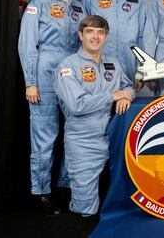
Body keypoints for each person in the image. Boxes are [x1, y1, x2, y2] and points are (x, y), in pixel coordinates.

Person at [18, 0, 85, 215]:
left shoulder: (79, 9)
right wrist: (30, 83)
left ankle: (64, 187)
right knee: (45, 137)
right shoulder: (38, 4)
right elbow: (27, 45)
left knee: (73, 135)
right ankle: (41, 192)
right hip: (44, 76)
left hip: (72, 77)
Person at [53, 15, 135, 216]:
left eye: (100, 32)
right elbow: (77, 104)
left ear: (106, 36)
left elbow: (128, 86)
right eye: (90, 31)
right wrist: (112, 96)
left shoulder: (112, 63)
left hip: (114, 139)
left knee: (127, 203)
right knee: (86, 211)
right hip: (83, 142)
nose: (95, 37)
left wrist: (126, 97)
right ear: (81, 35)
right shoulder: (67, 66)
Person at [82, 0, 145, 92]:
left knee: (127, 112)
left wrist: (141, 71)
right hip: (98, 66)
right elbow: (81, 36)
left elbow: (142, 36)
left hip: (129, 67)